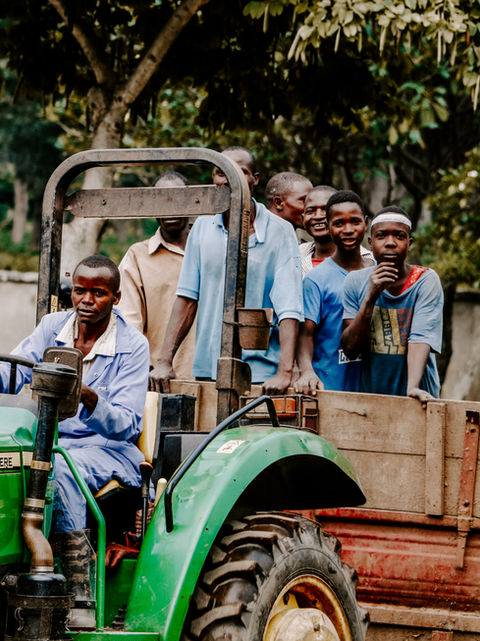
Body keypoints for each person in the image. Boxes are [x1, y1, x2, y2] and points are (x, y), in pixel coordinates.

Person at [0, 255, 149, 627]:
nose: (86, 300)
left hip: (108, 449)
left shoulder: (133, 345)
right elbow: (16, 368)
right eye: (80, 290)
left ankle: (77, 585)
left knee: (58, 467)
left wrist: (87, 396)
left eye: (98, 293)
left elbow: (128, 425)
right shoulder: (53, 326)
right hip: (47, 439)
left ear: (116, 298)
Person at [149, 146, 303, 395]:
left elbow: (289, 307)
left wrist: (284, 372)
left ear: (255, 179)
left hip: (262, 375)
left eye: (239, 171)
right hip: (208, 368)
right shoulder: (202, 226)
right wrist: (164, 361)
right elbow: (187, 298)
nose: (228, 179)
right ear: (213, 178)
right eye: (221, 172)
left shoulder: (280, 231)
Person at [341, 206, 443, 402]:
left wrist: (412, 387)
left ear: (409, 243)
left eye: (399, 236)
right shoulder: (354, 281)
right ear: (370, 243)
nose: (390, 243)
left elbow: (420, 337)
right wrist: (370, 297)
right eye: (381, 236)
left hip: (417, 398)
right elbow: (350, 349)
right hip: (372, 398)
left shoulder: (425, 280)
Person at [118, 171, 195, 377]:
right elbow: (128, 322)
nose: (170, 210)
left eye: (177, 201)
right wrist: (143, 369)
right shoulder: (138, 256)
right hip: (157, 378)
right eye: (162, 202)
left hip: (211, 377)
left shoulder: (211, 249)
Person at [295, 190, 373, 395]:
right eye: (339, 223)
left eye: (355, 222)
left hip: (373, 389)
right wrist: (307, 372)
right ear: (328, 226)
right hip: (329, 387)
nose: (348, 230)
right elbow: (305, 335)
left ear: (365, 223)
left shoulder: (378, 272)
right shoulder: (315, 278)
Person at [300, 185, 372, 276]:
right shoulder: (294, 256)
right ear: (303, 218)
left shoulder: (371, 262)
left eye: (325, 210)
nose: (318, 216)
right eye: (310, 211)